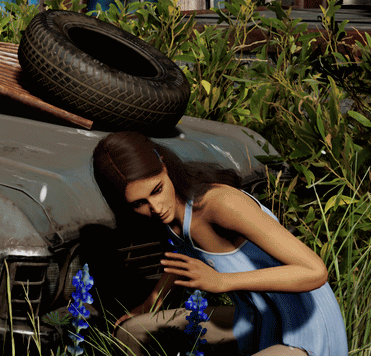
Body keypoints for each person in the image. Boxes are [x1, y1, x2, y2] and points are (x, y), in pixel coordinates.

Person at [93, 131, 348, 356]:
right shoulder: (169, 218)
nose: (156, 208)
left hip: (304, 328)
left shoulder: (220, 204)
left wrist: (222, 281)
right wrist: (150, 304)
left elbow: (316, 272)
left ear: (164, 165)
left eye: (157, 190)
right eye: (139, 203)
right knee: (131, 332)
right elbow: (180, 256)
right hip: (253, 319)